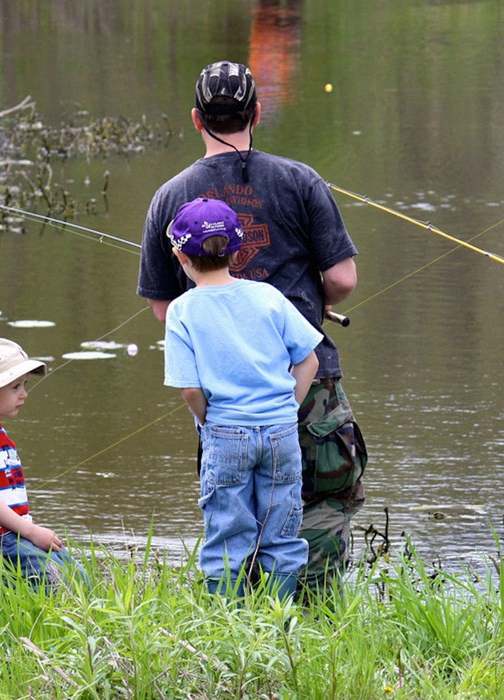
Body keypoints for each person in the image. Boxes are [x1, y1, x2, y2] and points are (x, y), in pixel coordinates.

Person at [138, 60, 367, 596]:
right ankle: (308, 622)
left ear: (197, 119)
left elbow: (162, 309)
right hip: (306, 380)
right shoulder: (300, 179)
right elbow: (342, 278)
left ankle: (238, 626)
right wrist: (308, 305)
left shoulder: (170, 198)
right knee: (318, 506)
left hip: (225, 397)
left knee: (233, 513)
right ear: (257, 113)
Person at [163, 197, 322, 600]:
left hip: (225, 432)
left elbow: (189, 389)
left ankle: (226, 626)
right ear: (237, 250)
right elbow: (309, 361)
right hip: (281, 433)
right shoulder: (268, 296)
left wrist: (208, 419)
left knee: (227, 535)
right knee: (282, 531)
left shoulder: (181, 311)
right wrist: (288, 408)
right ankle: (281, 624)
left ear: (181, 256)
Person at [0, 337, 84, 589]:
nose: (24, 394)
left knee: (78, 574)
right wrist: (31, 532)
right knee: (59, 581)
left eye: (24, 385)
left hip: (11, 535)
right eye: (15, 387)